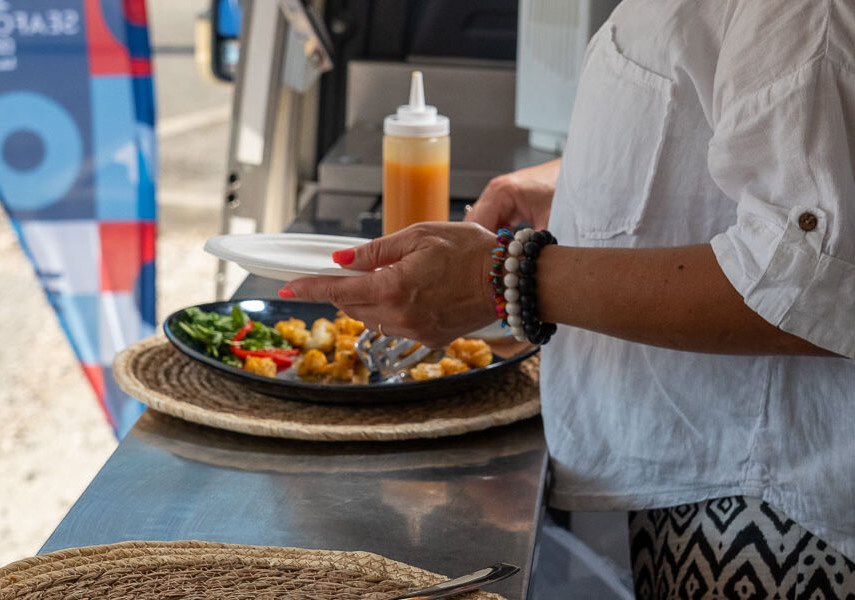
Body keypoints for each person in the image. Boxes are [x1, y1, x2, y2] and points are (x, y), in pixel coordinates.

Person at [279, 1, 855, 597]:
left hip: (775, 518)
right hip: (696, 471)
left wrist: (503, 277)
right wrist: (577, 180)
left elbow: (810, 286)